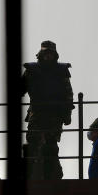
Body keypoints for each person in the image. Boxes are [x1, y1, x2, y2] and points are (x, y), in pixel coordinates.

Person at [22, 41, 74, 179]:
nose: (48, 55)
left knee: (51, 147)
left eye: (50, 53)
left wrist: (67, 115)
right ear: (41, 53)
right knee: (32, 145)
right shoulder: (31, 70)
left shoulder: (61, 70)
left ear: (54, 54)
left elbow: (68, 94)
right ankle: (27, 176)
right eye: (46, 52)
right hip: (37, 114)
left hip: (54, 116)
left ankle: (53, 177)